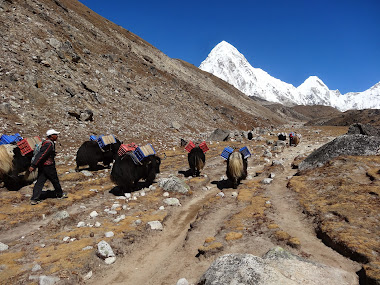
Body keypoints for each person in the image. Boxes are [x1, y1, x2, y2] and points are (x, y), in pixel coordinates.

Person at [29, 129, 67, 205]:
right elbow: (42, 155)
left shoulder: (47, 143)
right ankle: (60, 194)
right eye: (56, 135)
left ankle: (34, 199)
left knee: (39, 182)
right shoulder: (49, 144)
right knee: (55, 180)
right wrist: (33, 165)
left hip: (43, 166)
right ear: (52, 136)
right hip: (48, 167)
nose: (57, 136)